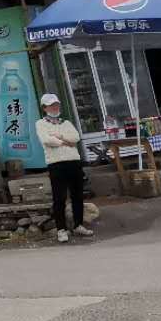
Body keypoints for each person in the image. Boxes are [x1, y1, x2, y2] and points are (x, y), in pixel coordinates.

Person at [37, 93, 93, 243]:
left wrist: (59, 136)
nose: (55, 107)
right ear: (44, 108)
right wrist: (65, 141)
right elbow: (47, 140)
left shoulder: (66, 122)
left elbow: (75, 138)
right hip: (56, 164)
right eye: (51, 105)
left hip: (74, 162)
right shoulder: (41, 124)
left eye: (56, 104)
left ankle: (78, 225)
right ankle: (61, 229)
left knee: (77, 195)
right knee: (59, 198)